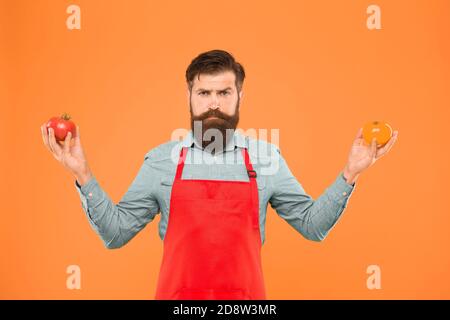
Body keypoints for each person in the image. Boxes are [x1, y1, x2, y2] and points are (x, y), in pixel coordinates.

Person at [40, 49, 398, 300]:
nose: (214, 102)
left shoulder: (264, 158)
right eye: (204, 92)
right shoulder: (161, 161)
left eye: (224, 92)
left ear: (240, 95)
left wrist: (350, 173)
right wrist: (83, 174)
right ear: (189, 96)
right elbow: (115, 234)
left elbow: (312, 226)